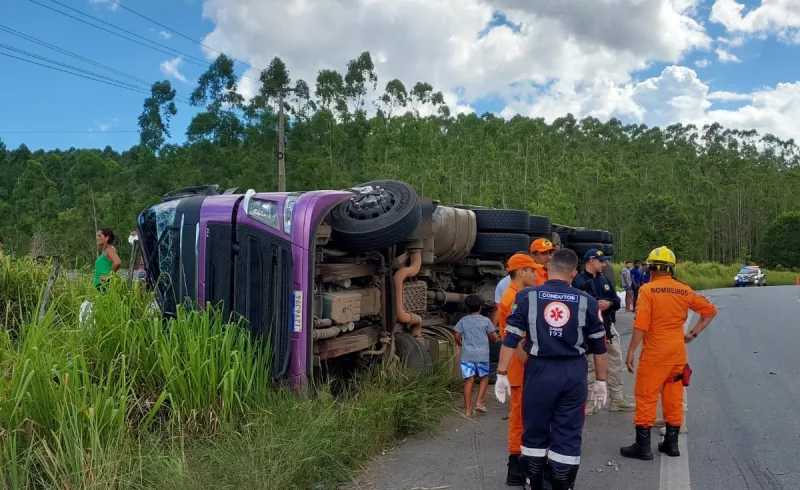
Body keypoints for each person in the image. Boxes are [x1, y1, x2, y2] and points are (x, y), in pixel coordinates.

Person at [495, 248, 609, 490]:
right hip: (574, 373)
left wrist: (501, 373)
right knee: (568, 433)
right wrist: (601, 381)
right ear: (574, 272)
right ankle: (561, 485)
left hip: (538, 371)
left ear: (547, 269)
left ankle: (532, 484)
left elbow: (510, 337)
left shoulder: (526, 297)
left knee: (534, 431)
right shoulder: (587, 301)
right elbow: (600, 347)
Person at [620, 246, 717, 461]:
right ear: (671, 269)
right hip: (677, 354)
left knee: (646, 396)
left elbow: (641, 325)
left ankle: (643, 447)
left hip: (655, 354)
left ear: (652, 268)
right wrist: (693, 333)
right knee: (673, 396)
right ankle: (671, 444)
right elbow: (710, 311)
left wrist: (631, 351)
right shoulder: (684, 290)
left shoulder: (647, 291)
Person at [496, 253, 541, 485]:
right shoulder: (513, 298)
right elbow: (519, 339)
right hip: (520, 367)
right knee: (521, 419)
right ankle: (517, 468)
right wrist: (535, 366)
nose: (536, 274)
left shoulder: (516, 295)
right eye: (532, 270)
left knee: (521, 416)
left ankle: (517, 468)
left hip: (518, 367)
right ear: (521, 271)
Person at [572, 249, 635, 414]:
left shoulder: (604, 280)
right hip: (588, 329)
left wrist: (608, 303)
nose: (604, 264)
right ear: (591, 261)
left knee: (615, 362)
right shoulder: (577, 281)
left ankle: (617, 398)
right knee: (591, 365)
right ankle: (591, 403)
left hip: (607, 326)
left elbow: (615, 300)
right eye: (601, 261)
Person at [454, 294, 499, 418]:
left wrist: (459, 344)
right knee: (484, 377)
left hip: (467, 356)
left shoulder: (463, 320)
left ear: (468, 307)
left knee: (469, 380)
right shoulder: (485, 321)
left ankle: (468, 411)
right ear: (480, 307)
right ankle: (479, 403)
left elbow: (457, 335)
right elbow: (493, 337)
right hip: (482, 356)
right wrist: (495, 338)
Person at [495, 238, 557, 308]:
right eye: (544, 253)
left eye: (550, 253)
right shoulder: (527, 277)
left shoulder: (556, 274)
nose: (549, 257)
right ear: (533, 256)